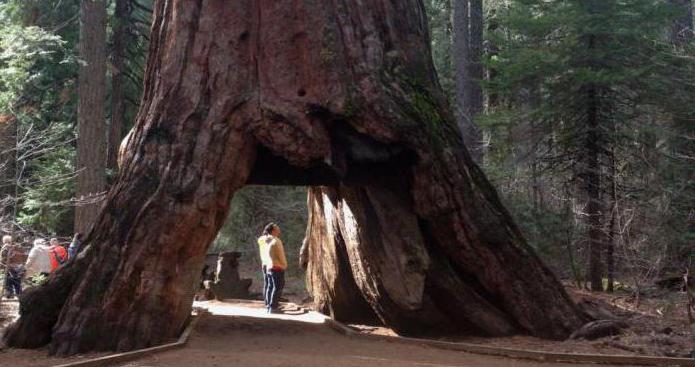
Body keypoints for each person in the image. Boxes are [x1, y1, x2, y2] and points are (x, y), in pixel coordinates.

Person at [258, 222, 288, 314]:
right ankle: (272, 306)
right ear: (273, 230)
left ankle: (269, 305)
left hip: (267, 264)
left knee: (269, 285)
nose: (279, 229)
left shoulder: (263, 239)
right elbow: (280, 255)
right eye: (277, 228)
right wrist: (284, 265)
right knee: (276, 286)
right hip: (275, 265)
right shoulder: (275, 241)